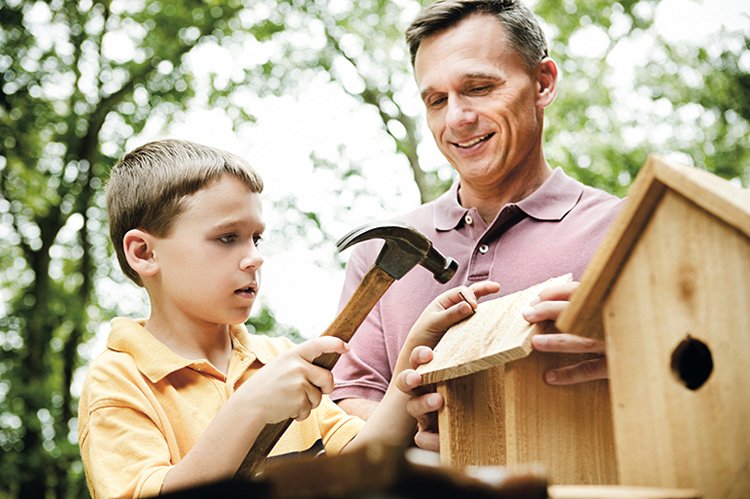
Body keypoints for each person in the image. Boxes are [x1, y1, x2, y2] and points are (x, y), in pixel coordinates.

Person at [77, 139, 501, 498]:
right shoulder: (119, 382)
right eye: (227, 238)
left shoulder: (276, 360)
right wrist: (251, 407)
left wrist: (412, 356)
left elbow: (357, 463)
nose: (255, 257)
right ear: (144, 253)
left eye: (256, 238)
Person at [331, 0, 626, 445]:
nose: (456, 119)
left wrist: (629, 345)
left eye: (480, 88)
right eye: (436, 100)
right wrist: (419, 431)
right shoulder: (378, 255)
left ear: (543, 83)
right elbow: (350, 396)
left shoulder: (622, 231)